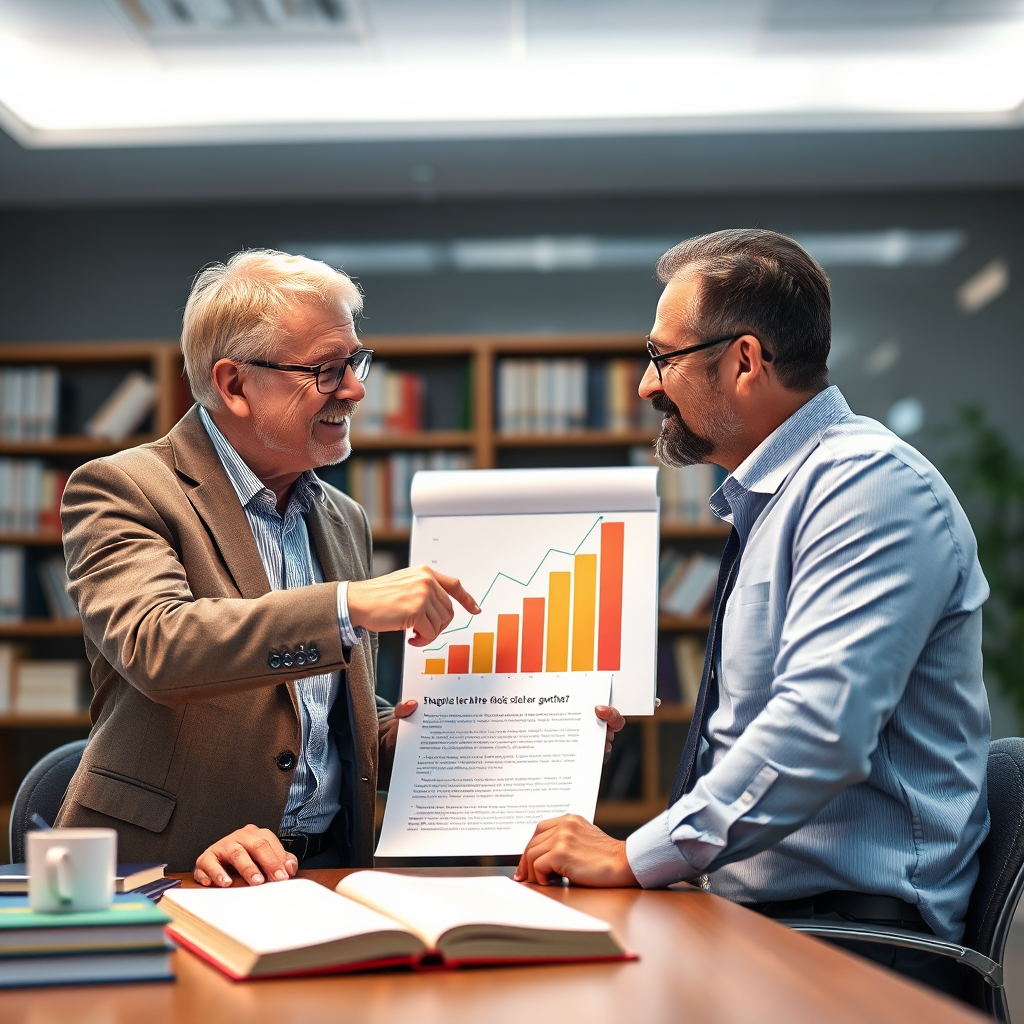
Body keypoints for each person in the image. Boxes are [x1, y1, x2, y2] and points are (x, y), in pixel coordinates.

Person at [516, 228, 991, 997]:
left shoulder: (867, 487)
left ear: (743, 361)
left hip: (856, 942)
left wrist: (635, 856)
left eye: (662, 357)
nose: (646, 386)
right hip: (772, 915)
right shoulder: (784, 499)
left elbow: (820, 731)